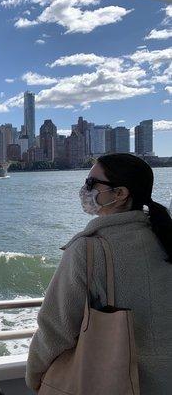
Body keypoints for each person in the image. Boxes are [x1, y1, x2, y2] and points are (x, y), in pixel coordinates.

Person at [26, 153, 172, 394]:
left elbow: (55, 330)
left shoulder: (88, 248)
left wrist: (34, 376)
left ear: (120, 194)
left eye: (92, 184)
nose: (84, 190)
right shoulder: (163, 237)